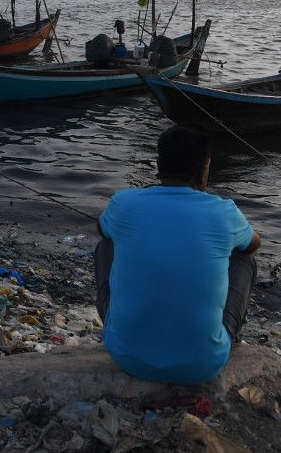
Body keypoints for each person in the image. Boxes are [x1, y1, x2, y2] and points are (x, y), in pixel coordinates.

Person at [94, 122, 260, 385]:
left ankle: (127, 328)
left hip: (127, 357)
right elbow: (253, 244)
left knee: (106, 244)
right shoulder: (224, 212)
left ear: (159, 165)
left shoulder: (123, 202)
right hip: (203, 365)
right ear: (204, 170)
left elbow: (103, 231)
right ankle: (227, 336)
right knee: (244, 259)